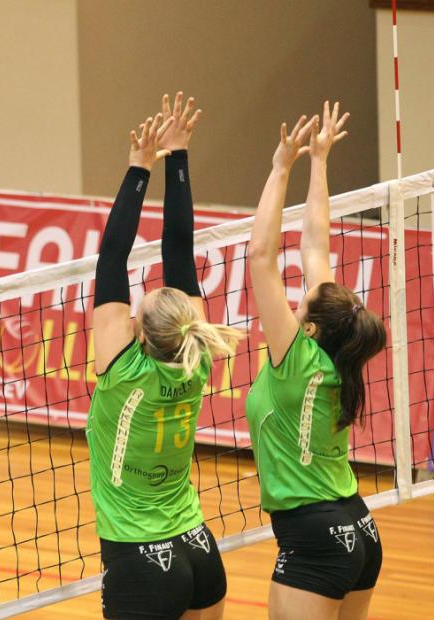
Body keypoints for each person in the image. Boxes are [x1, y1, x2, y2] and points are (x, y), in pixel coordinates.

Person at [87, 93, 242, 620]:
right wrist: (177, 157)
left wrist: (140, 167)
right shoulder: (197, 356)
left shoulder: (122, 369)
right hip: (198, 549)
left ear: (138, 331)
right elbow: (179, 248)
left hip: (139, 558)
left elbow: (113, 254)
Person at [244, 102, 388, 620]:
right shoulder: (338, 356)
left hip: (316, 538)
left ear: (308, 328)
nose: (303, 289)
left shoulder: (296, 356)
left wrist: (281, 166)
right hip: (358, 528)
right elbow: (315, 245)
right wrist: (320, 160)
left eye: (304, 299)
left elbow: (261, 257)